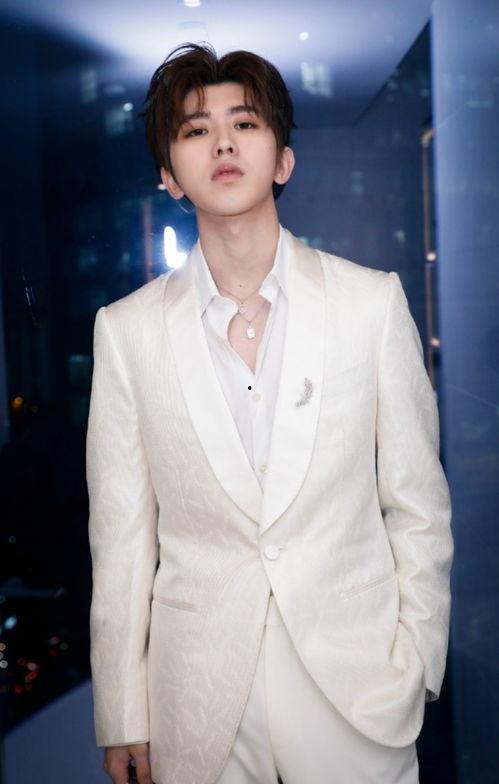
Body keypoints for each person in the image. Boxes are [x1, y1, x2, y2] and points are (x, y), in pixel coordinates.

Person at [86, 42, 453, 784]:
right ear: (169, 176)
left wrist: (416, 659)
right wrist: (122, 711)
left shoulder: (369, 303)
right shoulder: (126, 332)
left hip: (356, 687)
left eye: (245, 123)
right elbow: (120, 539)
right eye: (195, 130)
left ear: (282, 159)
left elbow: (417, 503)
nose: (222, 143)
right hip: (199, 701)